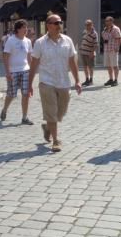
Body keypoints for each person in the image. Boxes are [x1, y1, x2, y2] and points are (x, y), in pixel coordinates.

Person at [27, 14, 82, 152]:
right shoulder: (40, 43)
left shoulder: (67, 41)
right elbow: (34, 64)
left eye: (60, 22)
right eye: (56, 23)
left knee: (60, 112)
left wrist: (77, 80)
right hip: (47, 82)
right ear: (48, 25)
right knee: (51, 112)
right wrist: (29, 84)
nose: (59, 25)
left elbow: (72, 62)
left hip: (64, 82)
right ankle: (56, 140)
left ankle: (47, 127)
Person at [0, 19, 34, 125]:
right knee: (11, 94)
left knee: (26, 94)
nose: (26, 29)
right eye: (24, 27)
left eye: (26, 27)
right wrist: (7, 72)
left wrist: (32, 71)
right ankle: (4, 109)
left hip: (25, 70)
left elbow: (29, 57)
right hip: (13, 71)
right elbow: (5, 57)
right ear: (18, 29)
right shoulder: (11, 40)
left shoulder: (28, 41)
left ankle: (24, 117)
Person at [102, 16, 121, 86]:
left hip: (113, 49)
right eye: (106, 21)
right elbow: (104, 39)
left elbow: (120, 38)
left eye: (108, 21)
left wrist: (118, 47)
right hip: (106, 49)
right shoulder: (105, 29)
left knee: (115, 65)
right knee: (108, 65)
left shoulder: (116, 29)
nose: (106, 22)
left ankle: (115, 80)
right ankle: (111, 79)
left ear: (111, 21)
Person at [78, 19, 98, 86]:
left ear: (92, 25)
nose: (87, 26)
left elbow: (96, 44)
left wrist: (92, 52)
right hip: (83, 52)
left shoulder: (94, 33)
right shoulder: (84, 31)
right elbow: (83, 40)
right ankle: (87, 79)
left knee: (90, 67)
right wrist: (81, 47)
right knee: (85, 67)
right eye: (86, 25)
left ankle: (91, 80)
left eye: (89, 24)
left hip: (90, 53)